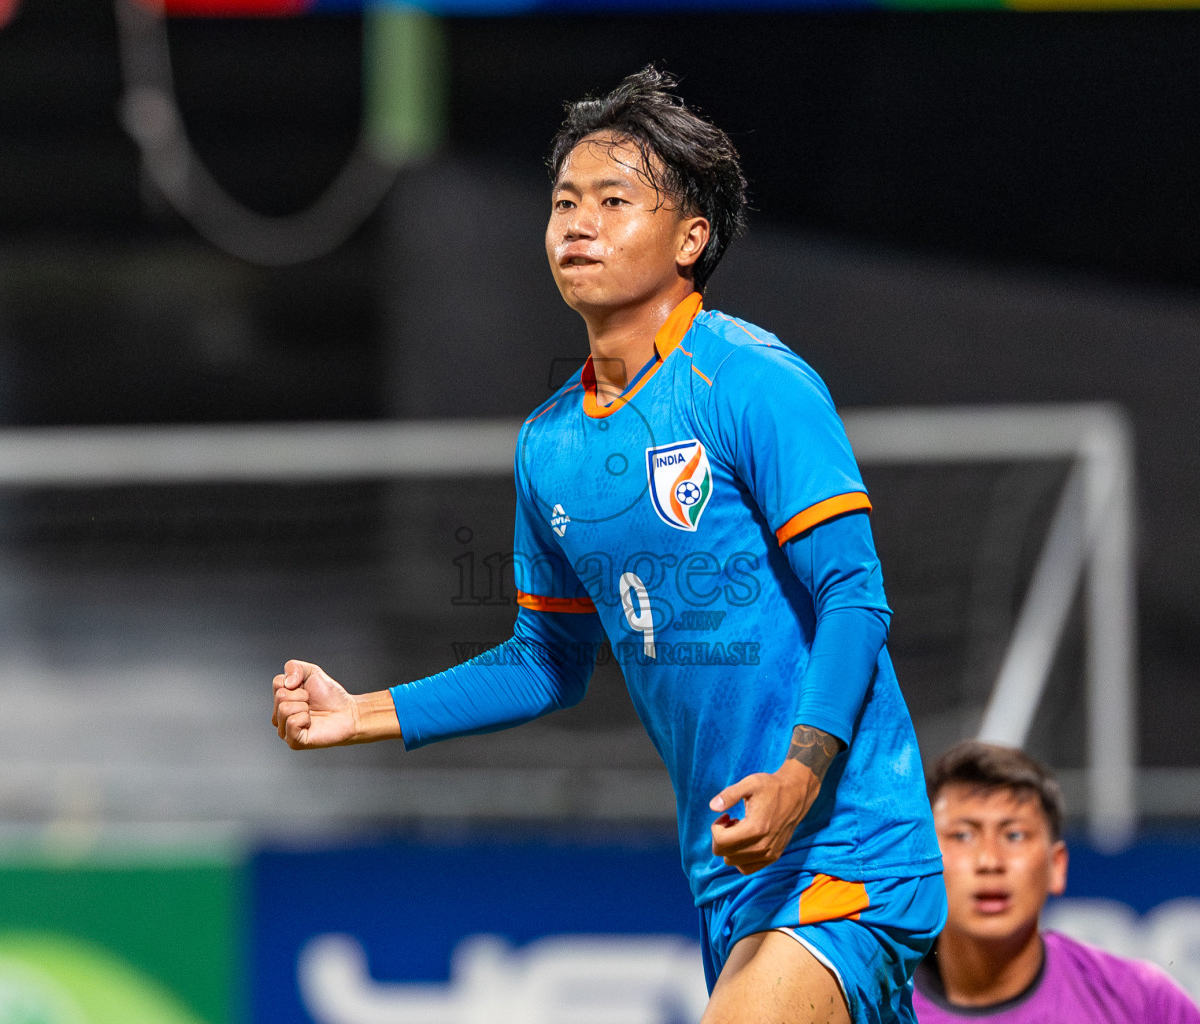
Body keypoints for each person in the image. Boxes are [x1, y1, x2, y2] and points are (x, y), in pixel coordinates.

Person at [271, 66, 944, 1024]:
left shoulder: (753, 381)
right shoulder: (548, 445)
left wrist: (800, 778)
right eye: (563, 203)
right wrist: (359, 714)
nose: (577, 224)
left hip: (847, 842)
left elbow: (854, 597)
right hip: (730, 873)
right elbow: (546, 662)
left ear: (691, 239)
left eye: (613, 202)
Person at [913, 741, 1200, 1023]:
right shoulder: (885, 1006)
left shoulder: (1145, 1003)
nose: (990, 860)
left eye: (1015, 835)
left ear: (1057, 866)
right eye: (962, 835)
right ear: (922, 861)